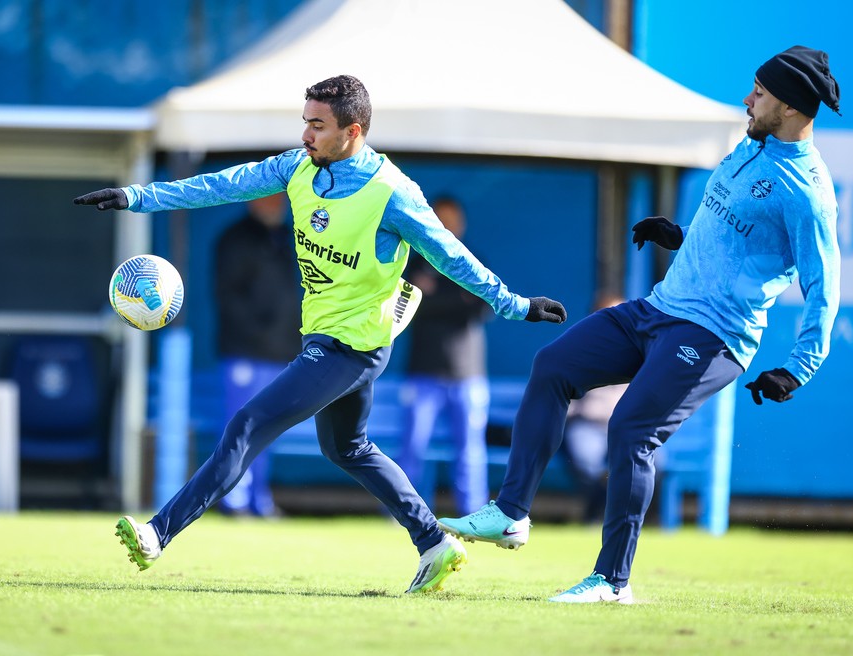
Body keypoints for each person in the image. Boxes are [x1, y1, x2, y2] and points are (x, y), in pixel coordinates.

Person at [74, 74, 567, 594]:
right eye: (305, 121)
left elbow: (450, 255)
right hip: (330, 341)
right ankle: (433, 541)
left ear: (351, 131)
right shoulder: (297, 168)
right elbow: (220, 185)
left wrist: (514, 304)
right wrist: (135, 196)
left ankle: (158, 532)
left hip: (349, 347)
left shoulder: (393, 193)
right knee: (348, 448)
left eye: (317, 125)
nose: (306, 134)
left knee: (245, 425)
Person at [438, 46, 841, 603]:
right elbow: (735, 230)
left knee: (630, 430)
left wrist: (799, 367)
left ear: (793, 107)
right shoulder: (749, 146)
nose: (748, 99)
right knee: (552, 365)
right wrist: (676, 234)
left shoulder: (809, 193)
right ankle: (510, 513)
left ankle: (611, 581)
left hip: (713, 335)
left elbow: (823, 286)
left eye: (761, 93)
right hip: (659, 309)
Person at [397, 196, 492, 516]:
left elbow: (482, 306)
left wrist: (438, 293)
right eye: (442, 218)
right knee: (413, 447)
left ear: (461, 223)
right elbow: (411, 308)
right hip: (423, 372)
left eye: (453, 218)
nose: (448, 225)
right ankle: (406, 512)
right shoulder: (414, 260)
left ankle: (474, 515)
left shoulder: (474, 260)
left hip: (467, 374)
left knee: (470, 452)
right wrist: (457, 296)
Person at [213, 193, 302, 517]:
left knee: (267, 430)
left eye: (280, 201)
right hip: (244, 352)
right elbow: (228, 297)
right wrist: (261, 333)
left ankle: (257, 499)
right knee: (239, 427)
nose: (275, 206)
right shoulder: (235, 238)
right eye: (269, 200)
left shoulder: (287, 235)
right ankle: (233, 499)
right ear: (253, 201)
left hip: (281, 355)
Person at [561, 292, 627, 525]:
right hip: (587, 425)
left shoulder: (642, 351)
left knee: (652, 462)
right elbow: (563, 396)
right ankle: (599, 513)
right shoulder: (577, 349)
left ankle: (610, 517)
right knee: (588, 462)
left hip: (626, 426)